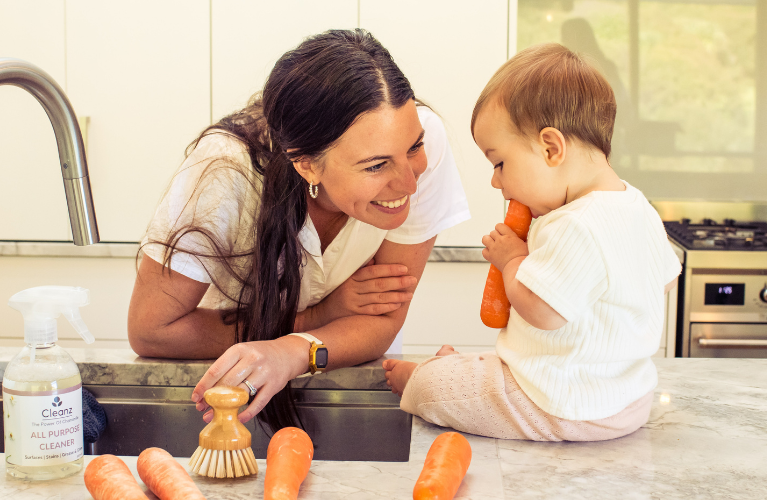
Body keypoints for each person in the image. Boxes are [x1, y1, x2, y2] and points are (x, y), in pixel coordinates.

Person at [128, 29, 471, 432]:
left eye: (413, 147)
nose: (411, 183)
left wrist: (292, 352)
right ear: (306, 164)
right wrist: (319, 316)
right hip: (232, 390)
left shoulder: (422, 139)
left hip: (355, 376)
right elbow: (153, 331)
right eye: (376, 166)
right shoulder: (225, 173)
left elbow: (379, 324)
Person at [383, 43, 681, 441]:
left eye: (499, 163)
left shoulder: (575, 225)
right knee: (495, 368)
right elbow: (663, 280)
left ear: (551, 148)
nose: (495, 181)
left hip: (560, 404)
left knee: (432, 388)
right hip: (626, 398)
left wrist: (513, 259)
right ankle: (459, 371)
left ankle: (427, 376)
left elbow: (542, 311)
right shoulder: (636, 205)